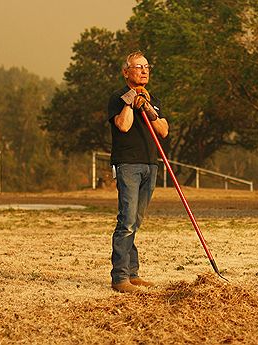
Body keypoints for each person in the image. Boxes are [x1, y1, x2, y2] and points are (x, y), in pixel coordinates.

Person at [107, 51, 169, 293]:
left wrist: (149, 108)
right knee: (127, 220)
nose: (144, 71)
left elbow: (163, 130)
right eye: (138, 67)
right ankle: (120, 277)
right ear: (126, 72)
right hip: (127, 164)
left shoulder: (154, 99)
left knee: (136, 220)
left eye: (147, 67)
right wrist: (131, 100)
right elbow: (123, 125)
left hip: (150, 164)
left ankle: (132, 273)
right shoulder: (117, 97)